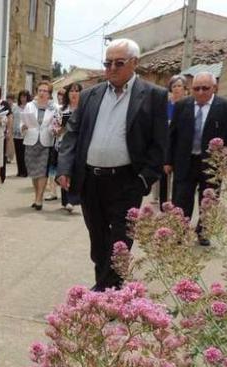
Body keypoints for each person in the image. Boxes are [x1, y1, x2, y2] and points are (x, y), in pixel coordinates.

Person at [57, 38, 168, 292]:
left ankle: (106, 293)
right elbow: (72, 134)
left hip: (127, 181)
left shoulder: (153, 96)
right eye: (107, 63)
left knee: (120, 242)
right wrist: (64, 168)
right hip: (90, 181)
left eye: (119, 63)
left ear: (134, 63)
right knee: (98, 242)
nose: (112, 69)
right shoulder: (90, 95)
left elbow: (159, 145)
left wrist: (143, 181)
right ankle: (107, 286)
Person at [168, 71, 227, 246]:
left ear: (214, 88)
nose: (200, 92)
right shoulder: (182, 106)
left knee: (209, 199)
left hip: (211, 162)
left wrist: (226, 163)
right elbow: (172, 136)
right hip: (185, 160)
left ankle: (204, 231)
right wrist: (168, 161)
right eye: (196, 88)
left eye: (204, 88)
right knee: (181, 198)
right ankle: (179, 231)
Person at [20, 81, 58, 210]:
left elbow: (57, 123)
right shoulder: (30, 106)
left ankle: (39, 199)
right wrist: (23, 127)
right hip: (31, 140)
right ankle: (37, 195)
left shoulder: (54, 108)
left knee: (42, 171)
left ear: (49, 94)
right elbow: (22, 121)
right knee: (34, 171)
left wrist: (54, 129)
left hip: (46, 141)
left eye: (45, 91)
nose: (42, 93)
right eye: (40, 90)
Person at [155, 74, 187, 205]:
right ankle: (163, 202)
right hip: (166, 143)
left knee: (179, 177)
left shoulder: (188, 104)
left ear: (185, 88)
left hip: (180, 145)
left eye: (179, 86)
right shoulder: (165, 105)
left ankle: (176, 203)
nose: (177, 88)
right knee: (163, 174)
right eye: (174, 86)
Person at [53, 82, 82, 213]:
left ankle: (74, 198)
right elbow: (55, 128)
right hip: (63, 144)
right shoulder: (61, 110)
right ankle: (66, 200)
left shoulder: (84, 109)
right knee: (64, 170)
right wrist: (61, 128)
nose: (74, 94)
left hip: (80, 145)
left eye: (77, 91)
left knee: (76, 172)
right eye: (71, 91)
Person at [12, 90, 32, 177]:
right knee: (18, 153)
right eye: (21, 97)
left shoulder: (30, 107)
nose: (23, 99)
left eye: (25, 97)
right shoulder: (15, 107)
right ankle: (19, 170)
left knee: (25, 153)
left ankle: (25, 171)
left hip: (26, 133)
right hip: (16, 133)